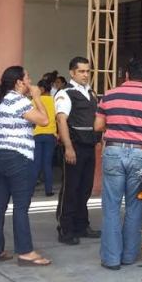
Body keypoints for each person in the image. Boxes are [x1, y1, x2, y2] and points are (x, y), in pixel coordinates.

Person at [93, 58, 142, 270]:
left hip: (114, 151)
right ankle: (129, 256)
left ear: (126, 76)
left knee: (111, 206)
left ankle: (111, 259)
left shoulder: (109, 95)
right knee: (135, 206)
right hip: (140, 154)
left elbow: (98, 125)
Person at [0, 66, 51, 267]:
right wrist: (37, 97)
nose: (30, 82)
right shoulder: (19, 100)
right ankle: (25, 252)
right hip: (17, 157)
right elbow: (44, 120)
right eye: (28, 78)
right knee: (21, 206)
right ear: (19, 82)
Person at [54, 56, 101, 245]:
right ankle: (65, 228)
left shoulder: (91, 93)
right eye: (81, 71)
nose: (85, 75)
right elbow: (61, 120)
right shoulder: (65, 93)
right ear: (72, 72)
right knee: (70, 189)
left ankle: (82, 225)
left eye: (88, 71)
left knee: (85, 188)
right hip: (74, 147)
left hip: (89, 147)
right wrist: (68, 147)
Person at [33, 74, 58, 196]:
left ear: (42, 89)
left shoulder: (35, 101)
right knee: (47, 164)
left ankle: (30, 190)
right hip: (50, 135)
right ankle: (49, 190)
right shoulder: (54, 101)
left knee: (36, 163)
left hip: (37, 134)